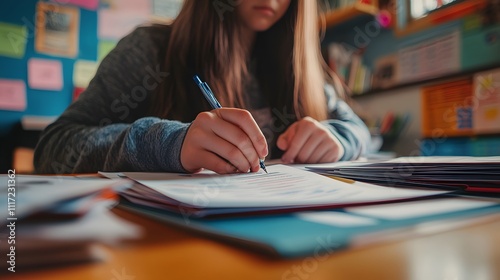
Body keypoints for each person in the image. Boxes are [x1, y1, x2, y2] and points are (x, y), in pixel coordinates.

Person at [34, 0, 371, 174]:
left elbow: (359, 131)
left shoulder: (301, 70)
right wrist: (167, 143)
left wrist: (339, 139)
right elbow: (53, 148)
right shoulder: (150, 49)